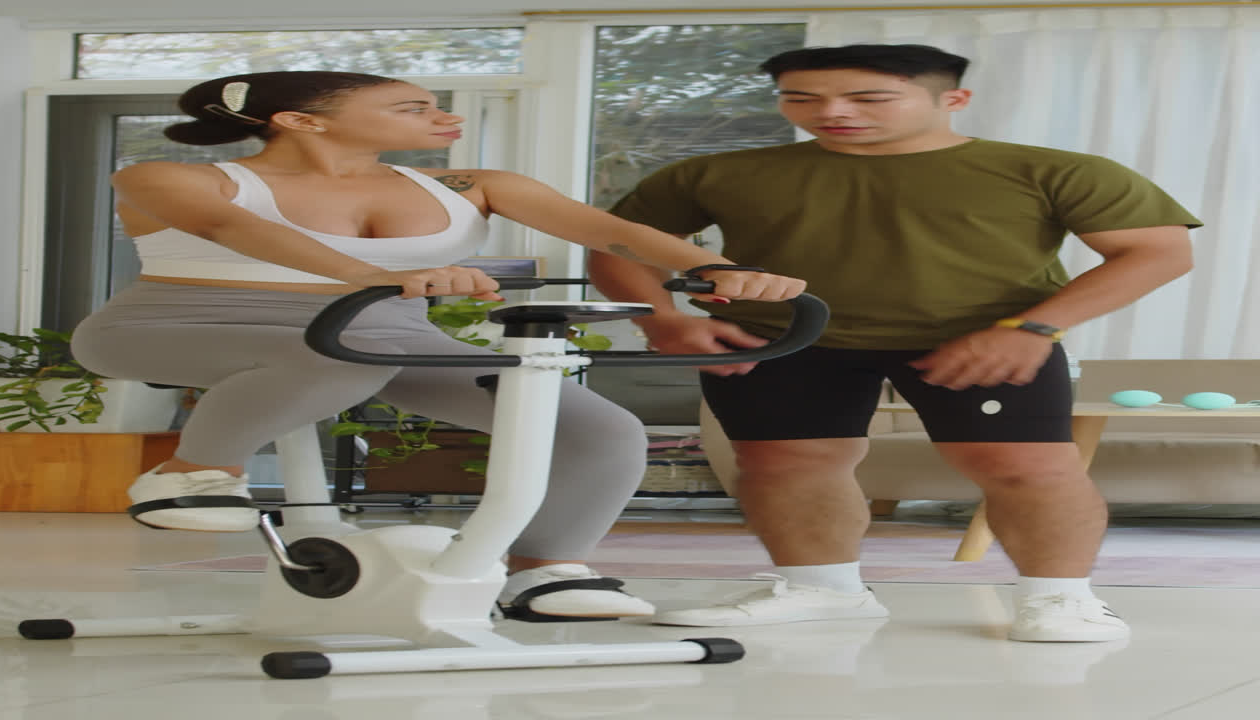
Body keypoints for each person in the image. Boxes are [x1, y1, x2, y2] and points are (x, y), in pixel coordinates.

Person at [70, 71, 805, 622]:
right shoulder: (166, 177)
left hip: (386, 339)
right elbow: (233, 229)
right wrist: (375, 276)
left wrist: (714, 268)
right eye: (412, 107)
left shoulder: (472, 185)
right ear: (301, 120)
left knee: (595, 428)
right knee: (329, 357)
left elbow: (610, 232)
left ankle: (545, 574)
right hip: (179, 326)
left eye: (433, 105)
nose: (441, 117)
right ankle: (195, 474)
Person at [588, 44, 1200, 641]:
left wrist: (1035, 329)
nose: (833, 112)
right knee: (783, 463)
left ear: (953, 99)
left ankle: (1062, 600)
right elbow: (616, 247)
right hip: (785, 335)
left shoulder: (1053, 169)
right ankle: (823, 591)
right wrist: (663, 321)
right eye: (801, 98)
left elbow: (1157, 253)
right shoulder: (719, 173)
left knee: (1027, 465)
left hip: (982, 339)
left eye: (869, 98)